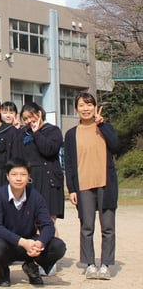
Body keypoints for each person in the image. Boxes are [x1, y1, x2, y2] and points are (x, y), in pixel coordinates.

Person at [64, 92, 120, 280]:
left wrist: (102, 125)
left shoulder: (105, 127)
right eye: (81, 105)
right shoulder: (71, 134)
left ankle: (105, 264)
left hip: (106, 183)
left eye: (89, 105)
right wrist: (72, 188)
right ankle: (89, 264)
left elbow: (116, 146)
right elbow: (69, 163)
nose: (86, 108)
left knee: (108, 227)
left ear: (95, 107)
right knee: (87, 226)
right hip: (83, 185)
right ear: (76, 109)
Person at [0, 158, 67, 287]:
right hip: (7, 243)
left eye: (23, 174)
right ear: (7, 176)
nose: (18, 178)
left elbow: (48, 225)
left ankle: (31, 266)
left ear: (29, 176)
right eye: (14, 174)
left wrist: (40, 243)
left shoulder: (35, 196)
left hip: (31, 243)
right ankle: (3, 270)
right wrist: (22, 242)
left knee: (58, 246)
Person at [13, 102, 64, 225]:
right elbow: (17, 156)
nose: (28, 121)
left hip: (48, 181)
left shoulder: (53, 130)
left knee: (48, 222)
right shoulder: (23, 133)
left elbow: (49, 150)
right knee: (30, 222)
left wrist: (36, 133)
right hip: (31, 180)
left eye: (31, 117)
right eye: (25, 119)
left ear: (39, 114)